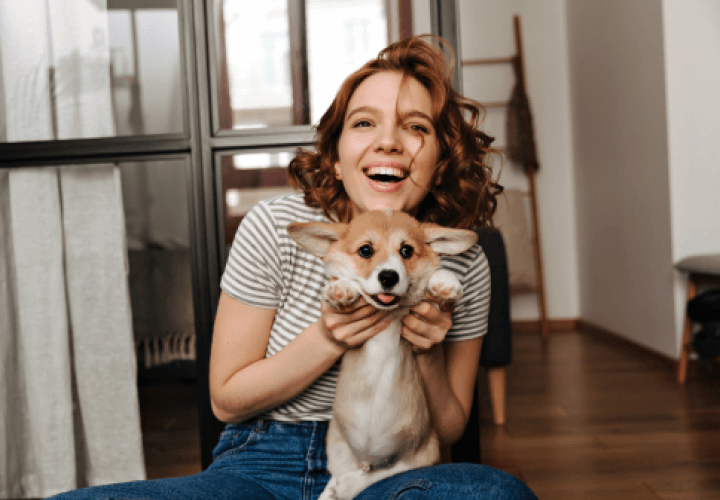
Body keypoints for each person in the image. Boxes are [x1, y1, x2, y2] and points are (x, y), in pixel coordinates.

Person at [49, 35, 536, 500]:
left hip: (391, 469)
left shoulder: (459, 261)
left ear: (439, 162)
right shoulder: (274, 226)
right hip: (262, 463)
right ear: (337, 159)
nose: (388, 141)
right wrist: (329, 335)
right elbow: (225, 399)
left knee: (497, 493)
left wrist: (425, 351)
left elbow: (449, 428)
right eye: (364, 123)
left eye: (416, 127)